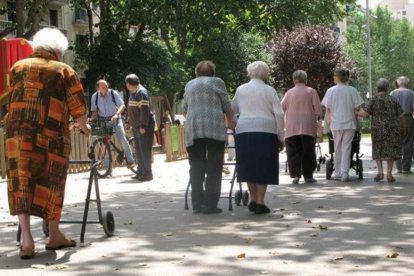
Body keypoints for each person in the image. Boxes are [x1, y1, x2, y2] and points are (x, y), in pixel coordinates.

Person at [5, 28, 91, 259]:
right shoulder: (63, 70)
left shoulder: (18, 67)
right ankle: (53, 235)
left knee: (21, 181)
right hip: (50, 135)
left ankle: (27, 240)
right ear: (57, 51)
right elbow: (77, 107)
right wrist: (85, 128)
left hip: (17, 135)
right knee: (51, 179)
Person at [183, 61, 235, 214]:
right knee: (214, 166)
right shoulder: (218, 82)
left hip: (194, 130)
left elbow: (185, 109)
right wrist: (232, 122)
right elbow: (226, 105)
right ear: (213, 72)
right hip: (214, 129)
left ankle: (197, 203)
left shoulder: (189, 84)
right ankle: (210, 204)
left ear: (196, 72)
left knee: (196, 166)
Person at [232, 61, 284, 214]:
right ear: (265, 74)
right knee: (264, 164)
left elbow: (232, 108)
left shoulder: (240, 90)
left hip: (244, 130)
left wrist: (236, 123)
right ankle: (260, 201)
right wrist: (281, 135)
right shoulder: (269, 90)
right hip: (266, 130)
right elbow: (279, 114)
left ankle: (253, 199)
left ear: (249, 73)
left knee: (249, 163)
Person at [356, 78, 403, 182]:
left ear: (378, 88)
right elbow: (401, 113)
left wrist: (356, 112)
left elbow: (366, 114)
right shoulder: (393, 99)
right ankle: (389, 174)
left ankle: (380, 172)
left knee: (378, 149)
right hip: (392, 128)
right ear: (387, 88)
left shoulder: (374, 99)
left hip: (378, 129)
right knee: (391, 149)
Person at [321, 68, 364, 182]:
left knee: (337, 147)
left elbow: (328, 109)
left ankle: (337, 172)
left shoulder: (331, 91)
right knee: (347, 148)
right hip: (349, 123)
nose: (333, 77)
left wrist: (329, 123)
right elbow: (357, 108)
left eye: (334, 75)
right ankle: (345, 173)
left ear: (338, 77)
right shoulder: (352, 90)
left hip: (336, 123)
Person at [281, 70, 321, 184]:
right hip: (308, 126)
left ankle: (295, 176)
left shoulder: (289, 93)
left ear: (294, 80)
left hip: (292, 126)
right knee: (308, 151)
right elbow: (317, 110)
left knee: (293, 151)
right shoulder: (311, 91)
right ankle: (308, 176)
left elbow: (281, 107)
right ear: (306, 79)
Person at [90, 80, 136, 169]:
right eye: (103, 87)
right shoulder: (94, 97)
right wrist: (91, 119)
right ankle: (108, 169)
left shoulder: (113, 93)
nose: (106, 88)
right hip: (104, 121)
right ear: (98, 88)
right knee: (105, 144)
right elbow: (94, 112)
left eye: (106, 86)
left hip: (116, 119)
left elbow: (122, 105)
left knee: (122, 139)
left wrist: (116, 114)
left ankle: (131, 161)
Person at [125, 74, 155, 181]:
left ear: (128, 84)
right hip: (136, 126)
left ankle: (147, 173)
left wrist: (143, 126)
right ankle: (141, 171)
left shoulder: (141, 93)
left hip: (143, 126)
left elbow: (144, 110)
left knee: (145, 150)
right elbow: (131, 109)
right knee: (138, 150)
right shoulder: (133, 92)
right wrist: (128, 121)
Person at [390, 76, 414, 174]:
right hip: (408, 118)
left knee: (396, 143)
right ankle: (406, 168)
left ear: (398, 83)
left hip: (395, 119)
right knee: (408, 143)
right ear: (407, 83)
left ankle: (399, 167)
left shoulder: (392, 93)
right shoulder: (412, 93)